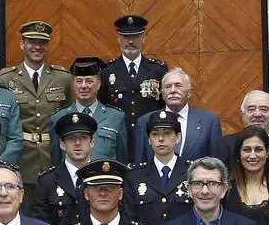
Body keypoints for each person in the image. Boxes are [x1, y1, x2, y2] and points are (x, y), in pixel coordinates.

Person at [0, 21, 74, 193]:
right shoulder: (5, 79)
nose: (37, 47)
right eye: (32, 42)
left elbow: (69, 115)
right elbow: (1, 122)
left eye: (42, 43)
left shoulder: (62, 77)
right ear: (22, 44)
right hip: (20, 158)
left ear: (48, 45)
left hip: (53, 155)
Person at [99, 14, 168, 143]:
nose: (130, 42)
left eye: (135, 36)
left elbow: (164, 105)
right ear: (118, 38)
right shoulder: (106, 70)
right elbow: (101, 106)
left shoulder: (158, 70)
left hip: (150, 138)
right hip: (118, 138)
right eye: (126, 37)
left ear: (143, 37)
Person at [48, 56, 128, 165]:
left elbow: (122, 160)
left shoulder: (116, 117)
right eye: (79, 81)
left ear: (98, 84)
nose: (84, 86)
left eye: (89, 81)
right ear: (73, 84)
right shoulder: (58, 118)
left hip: (104, 179)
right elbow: (56, 162)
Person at [131, 68, 222, 165]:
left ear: (189, 92)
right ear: (162, 93)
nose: (173, 90)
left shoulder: (209, 121)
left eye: (178, 86)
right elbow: (140, 164)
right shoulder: (144, 121)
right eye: (168, 87)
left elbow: (215, 164)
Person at [32, 111, 95, 225]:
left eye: (83, 138)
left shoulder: (101, 177)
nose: (77, 143)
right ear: (62, 144)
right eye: (71, 138)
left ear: (92, 143)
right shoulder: (47, 181)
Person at [223, 126, 269, 225]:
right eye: (247, 150)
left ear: (267, 152)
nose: (252, 155)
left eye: (258, 149)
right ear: (239, 153)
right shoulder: (226, 190)